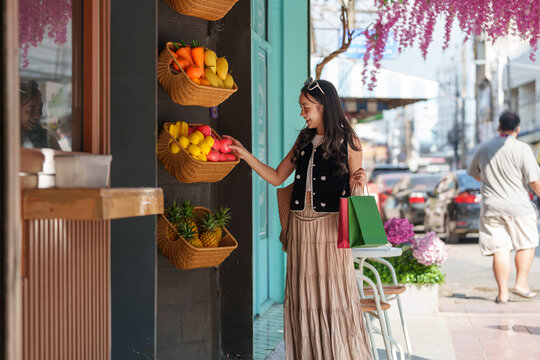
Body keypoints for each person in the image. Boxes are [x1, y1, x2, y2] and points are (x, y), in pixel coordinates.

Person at [225, 78, 372, 359]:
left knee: (333, 294)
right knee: (303, 295)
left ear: (323, 106)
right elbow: (277, 176)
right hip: (300, 226)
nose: (302, 113)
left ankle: (338, 354)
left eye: (306, 107)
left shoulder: (348, 141)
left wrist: (361, 178)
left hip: (330, 227)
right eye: (301, 107)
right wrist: (246, 156)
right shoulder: (304, 139)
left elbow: (356, 186)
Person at [468, 111, 540, 303]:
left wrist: (491, 181)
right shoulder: (523, 149)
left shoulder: (484, 148)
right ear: (518, 128)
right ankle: (521, 284)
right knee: (527, 244)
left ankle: (503, 294)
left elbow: (474, 174)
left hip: (491, 207)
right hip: (519, 207)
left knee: (500, 249)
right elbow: (534, 181)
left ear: (499, 127)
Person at [19, 80, 61, 149]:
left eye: (40, 109)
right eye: (31, 110)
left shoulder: (46, 138)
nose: (37, 116)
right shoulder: (7, 139)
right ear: (14, 110)